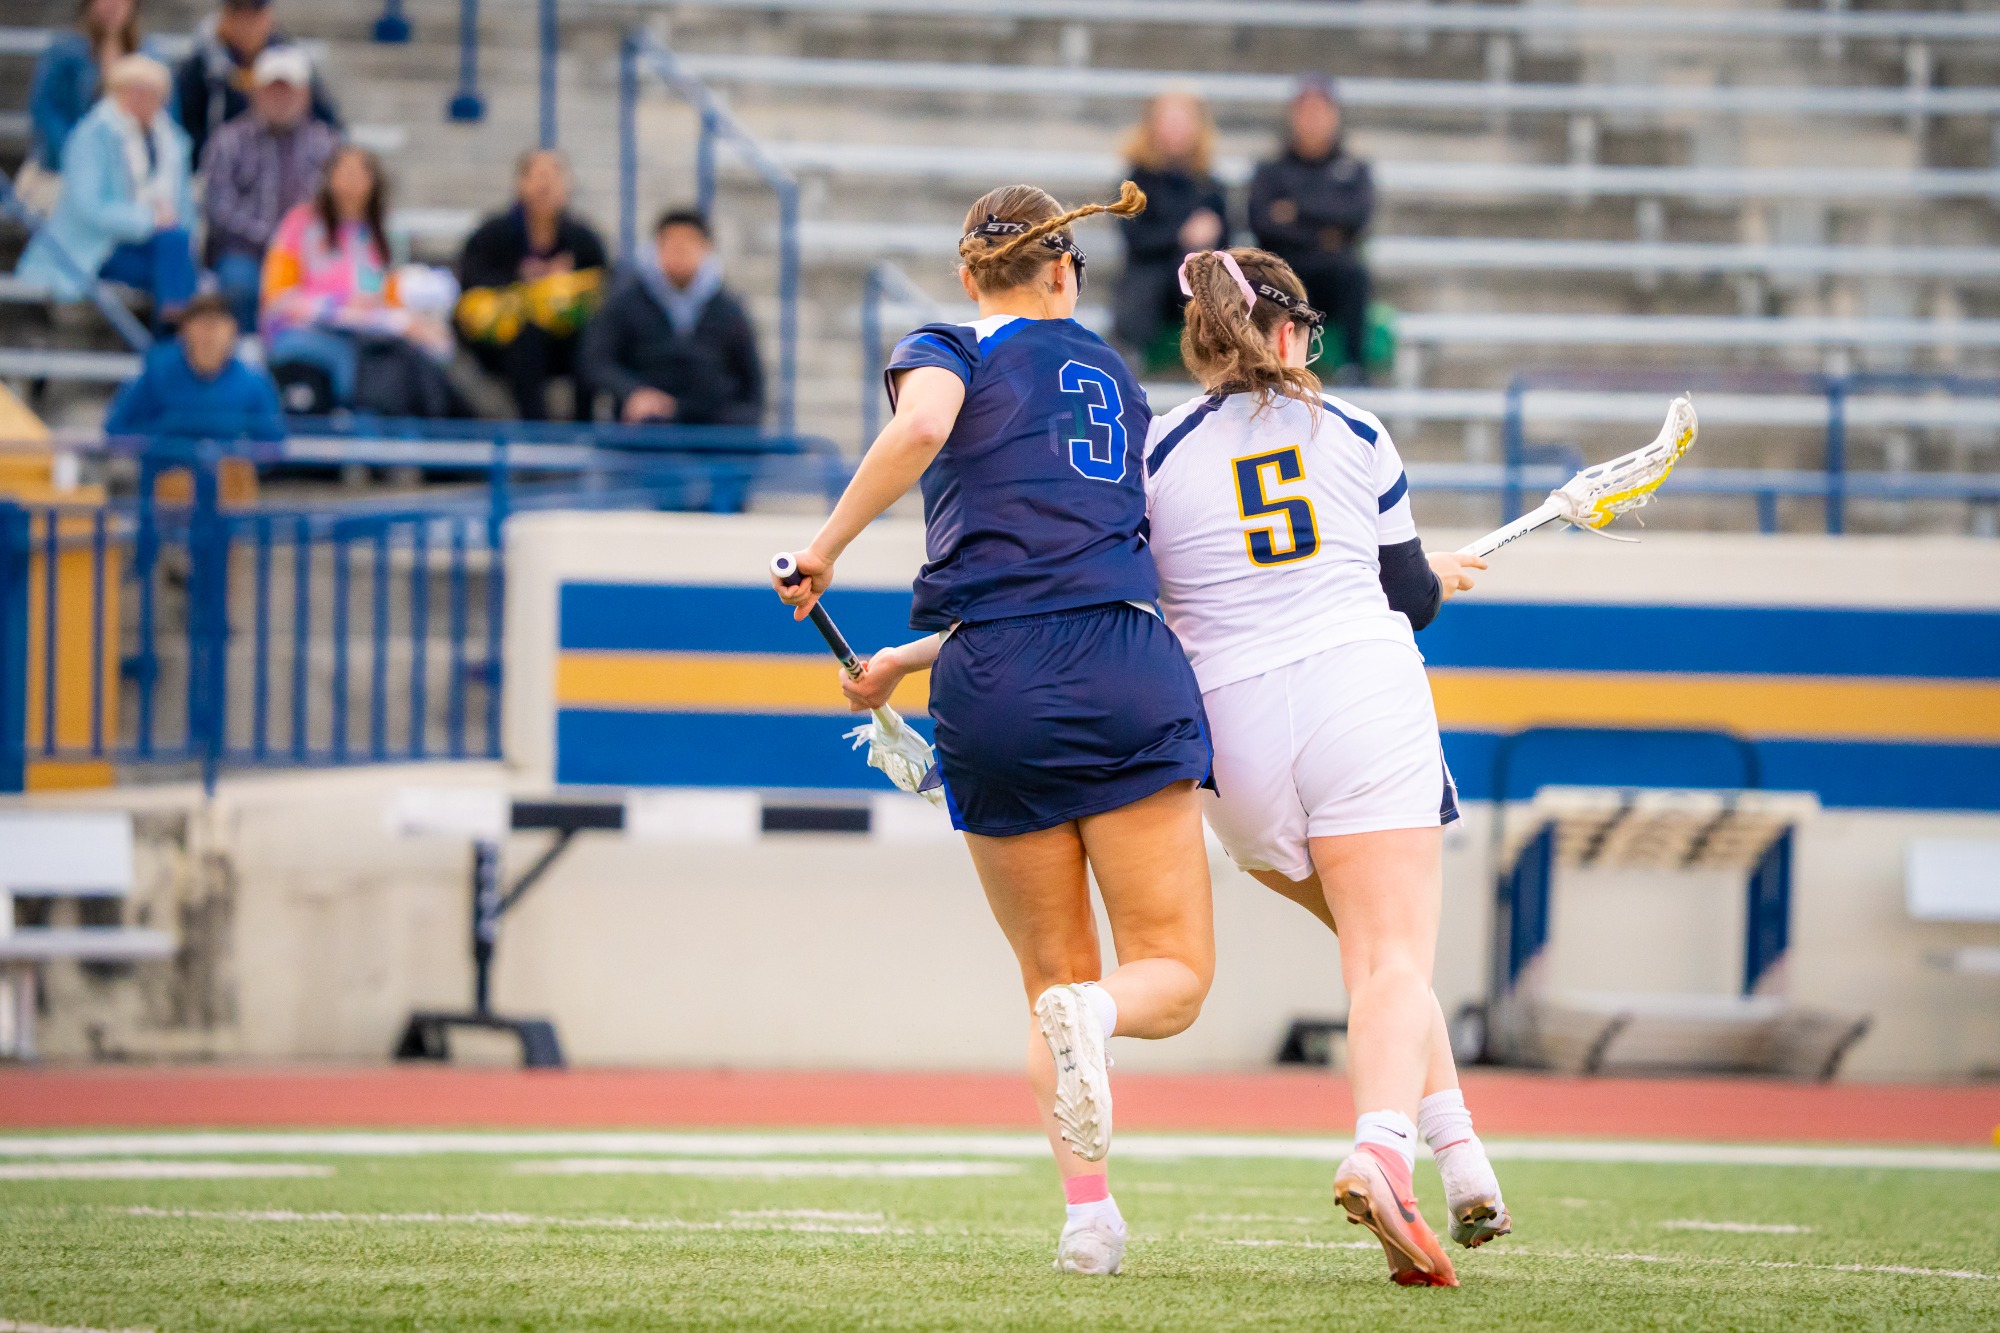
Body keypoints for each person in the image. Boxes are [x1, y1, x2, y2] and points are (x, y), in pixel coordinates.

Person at [778, 181, 1216, 1279]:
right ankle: (1093, 1019)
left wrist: (827, 547)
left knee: (1048, 981)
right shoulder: (1115, 375)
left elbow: (923, 424)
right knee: (1162, 976)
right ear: (1065, 272)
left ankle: (1088, 1218)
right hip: (1122, 662)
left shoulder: (947, 343)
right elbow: (1104, 559)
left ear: (972, 278)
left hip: (990, 682)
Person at [1142, 246, 1504, 1285]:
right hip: (1355, 690)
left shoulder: (1153, 449)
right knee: (1393, 954)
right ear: (1291, 332)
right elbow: (1407, 595)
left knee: (1372, 951)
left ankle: (1462, 1159)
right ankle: (1383, 1147)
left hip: (1232, 735)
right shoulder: (1354, 429)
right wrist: (1433, 574)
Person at [261, 145, 464, 418]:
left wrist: (409, 321)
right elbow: (278, 300)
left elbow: (385, 299)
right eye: (344, 171)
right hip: (305, 339)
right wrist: (344, 308)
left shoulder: (382, 236)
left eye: (361, 172)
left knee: (421, 363)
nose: (352, 182)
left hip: (367, 342)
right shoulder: (300, 224)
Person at [17, 54, 197, 326]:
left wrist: (164, 224)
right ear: (118, 92)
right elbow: (87, 206)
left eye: (152, 93)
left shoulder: (172, 141)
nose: (144, 99)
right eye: (136, 90)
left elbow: (182, 208)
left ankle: (175, 332)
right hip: (97, 247)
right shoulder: (91, 136)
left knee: (176, 251)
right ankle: (177, 335)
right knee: (176, 259)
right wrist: (149, 220)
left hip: (157, 246)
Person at [455, 150, 608, 421]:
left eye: (553, 177)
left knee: (593, 340)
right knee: (527, 336)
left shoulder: (583, 239)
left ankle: (585, 432)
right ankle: (535, 435)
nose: (544, 185)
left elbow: (604, 285)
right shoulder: (492, 235)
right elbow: (470, 284)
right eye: (537, 176)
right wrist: (524, 280)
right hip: (504, 345)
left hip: (565, 344)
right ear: (520, 183)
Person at [199, 45, 340, 331]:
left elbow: (338, 204)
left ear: (305, 95)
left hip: (309, 252)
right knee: (241, 286)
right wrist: (273, 238)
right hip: (244, 252)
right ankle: (249, 364)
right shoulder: (228, 141)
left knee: (333, 288)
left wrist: (296, 243)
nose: (280, 98)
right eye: (272, 90)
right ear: (255, 93)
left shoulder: (326, 145)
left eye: (288, 90)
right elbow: (218, 206)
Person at [580, 210, 763, 427]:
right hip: (647, 427)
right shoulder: (625, 303)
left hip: (713, 425)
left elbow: (751, 381)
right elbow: (595, 362)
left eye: (688, 243)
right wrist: (633, 392)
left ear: (706, 249)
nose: (679, 251)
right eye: (671, 242)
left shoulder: (729, 310)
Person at [1248, 73, 1374, 379]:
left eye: (1320, 110)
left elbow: (1356, 218)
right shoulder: (1270, 170)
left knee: (1353, 273)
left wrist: (1294, 213)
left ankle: (1354, 366)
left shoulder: (1354, 170)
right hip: (1285, 275)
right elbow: (1261, 223)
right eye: (1305, 110)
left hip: (1332, 276)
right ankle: (1263, 367)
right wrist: (1325, 229)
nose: (1312, 119)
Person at [1112, 91, 1228, 371]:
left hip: (1192, 275)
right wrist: (1181, 234)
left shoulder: (1209, 183)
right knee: (1146, 280)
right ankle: (1131, 352)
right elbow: (1134, 238)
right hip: (1149, 275)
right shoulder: (1136, 180)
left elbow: (1227, 242)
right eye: (1168, 122)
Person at [173, 0, 338, 166]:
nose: (246, 24)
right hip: (219, 168)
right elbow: (184, 132)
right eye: (238, 14)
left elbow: (330, 123)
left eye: (254, 14)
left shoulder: (293, 62)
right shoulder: (200, 70)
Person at [104, 290, 284, 441]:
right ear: (184, 330)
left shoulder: (253, 383)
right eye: (201, 322)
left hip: (229, 478)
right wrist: (161, 446)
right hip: (167, 476)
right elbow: (117, 428)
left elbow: (273, 441)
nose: (208, 332)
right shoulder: (157, 374)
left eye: (216, 323)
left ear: (234, 329)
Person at [23, 0, 145, 211]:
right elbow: (45, 112)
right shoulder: (64, 52)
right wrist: (77, 158)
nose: (114, 5)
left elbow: (164, 118)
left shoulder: (147, 55)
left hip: (130, 170)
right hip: (67, 169)